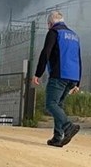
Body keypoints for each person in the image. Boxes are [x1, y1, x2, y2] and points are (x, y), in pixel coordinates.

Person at [32, 10, 81, 147]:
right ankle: (57, 137)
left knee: (51, 104)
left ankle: (68, 127)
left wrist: (38, 73)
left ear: (50, 23)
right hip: (73, 76)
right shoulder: (74, 35)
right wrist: (78, 82)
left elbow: (45, 52)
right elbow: (78, 58)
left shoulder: (54, 32)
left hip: (59, 74)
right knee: (58, 105)